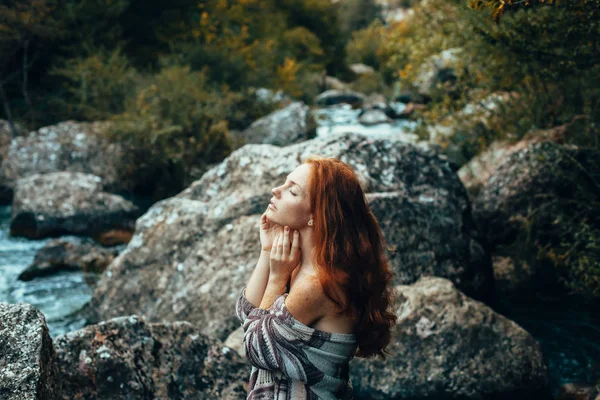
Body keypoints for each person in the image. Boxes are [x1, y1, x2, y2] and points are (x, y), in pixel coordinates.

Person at [235, 156, 397, 399]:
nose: (275, 190)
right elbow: (248, 314)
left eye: (292, 191)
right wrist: (266, 252)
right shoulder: (302, 265)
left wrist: (277, 279)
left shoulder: (318, 285)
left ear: (316, 214)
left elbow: (255, 347)